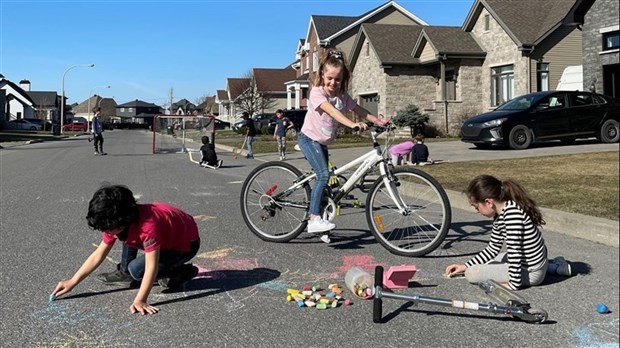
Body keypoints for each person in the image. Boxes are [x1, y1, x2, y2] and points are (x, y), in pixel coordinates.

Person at [51, 185, 201, 315]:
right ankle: (124, 273)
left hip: (185, 245)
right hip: (169, 234)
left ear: (122, 223)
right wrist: (72, 281)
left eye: (108, 229)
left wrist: (141, 299)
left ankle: (182, 271)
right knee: (125, 238)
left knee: (136, 270)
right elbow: (98, 255)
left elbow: (151, 266)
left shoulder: (148, 227)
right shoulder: (121, 220)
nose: (106, 232)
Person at [297, 49, 390, 243]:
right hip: (308, 139)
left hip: (322, 142)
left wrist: (379, 121)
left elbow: (360, 109)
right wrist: (352, 124)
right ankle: (313, 219)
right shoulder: (317, 93)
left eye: (337, 79)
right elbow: (331, 111)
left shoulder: (342, 96)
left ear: (343, 79)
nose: (333, 83)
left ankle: (321, 222)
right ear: (322, 75)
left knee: (327, 181)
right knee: (323, 175)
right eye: (329, 78)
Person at [445, 175, 572, 290]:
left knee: (472, 273)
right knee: (491, 260)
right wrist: (464, 266)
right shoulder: (503, 211)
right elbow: (493, 248)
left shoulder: (512, 217)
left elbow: (514, 253)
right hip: (536, 261)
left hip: (532, 273)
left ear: (489, 202)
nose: (476, 211)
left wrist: (513, 284)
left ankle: (550, 268)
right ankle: (554, 267)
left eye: (476, 206)